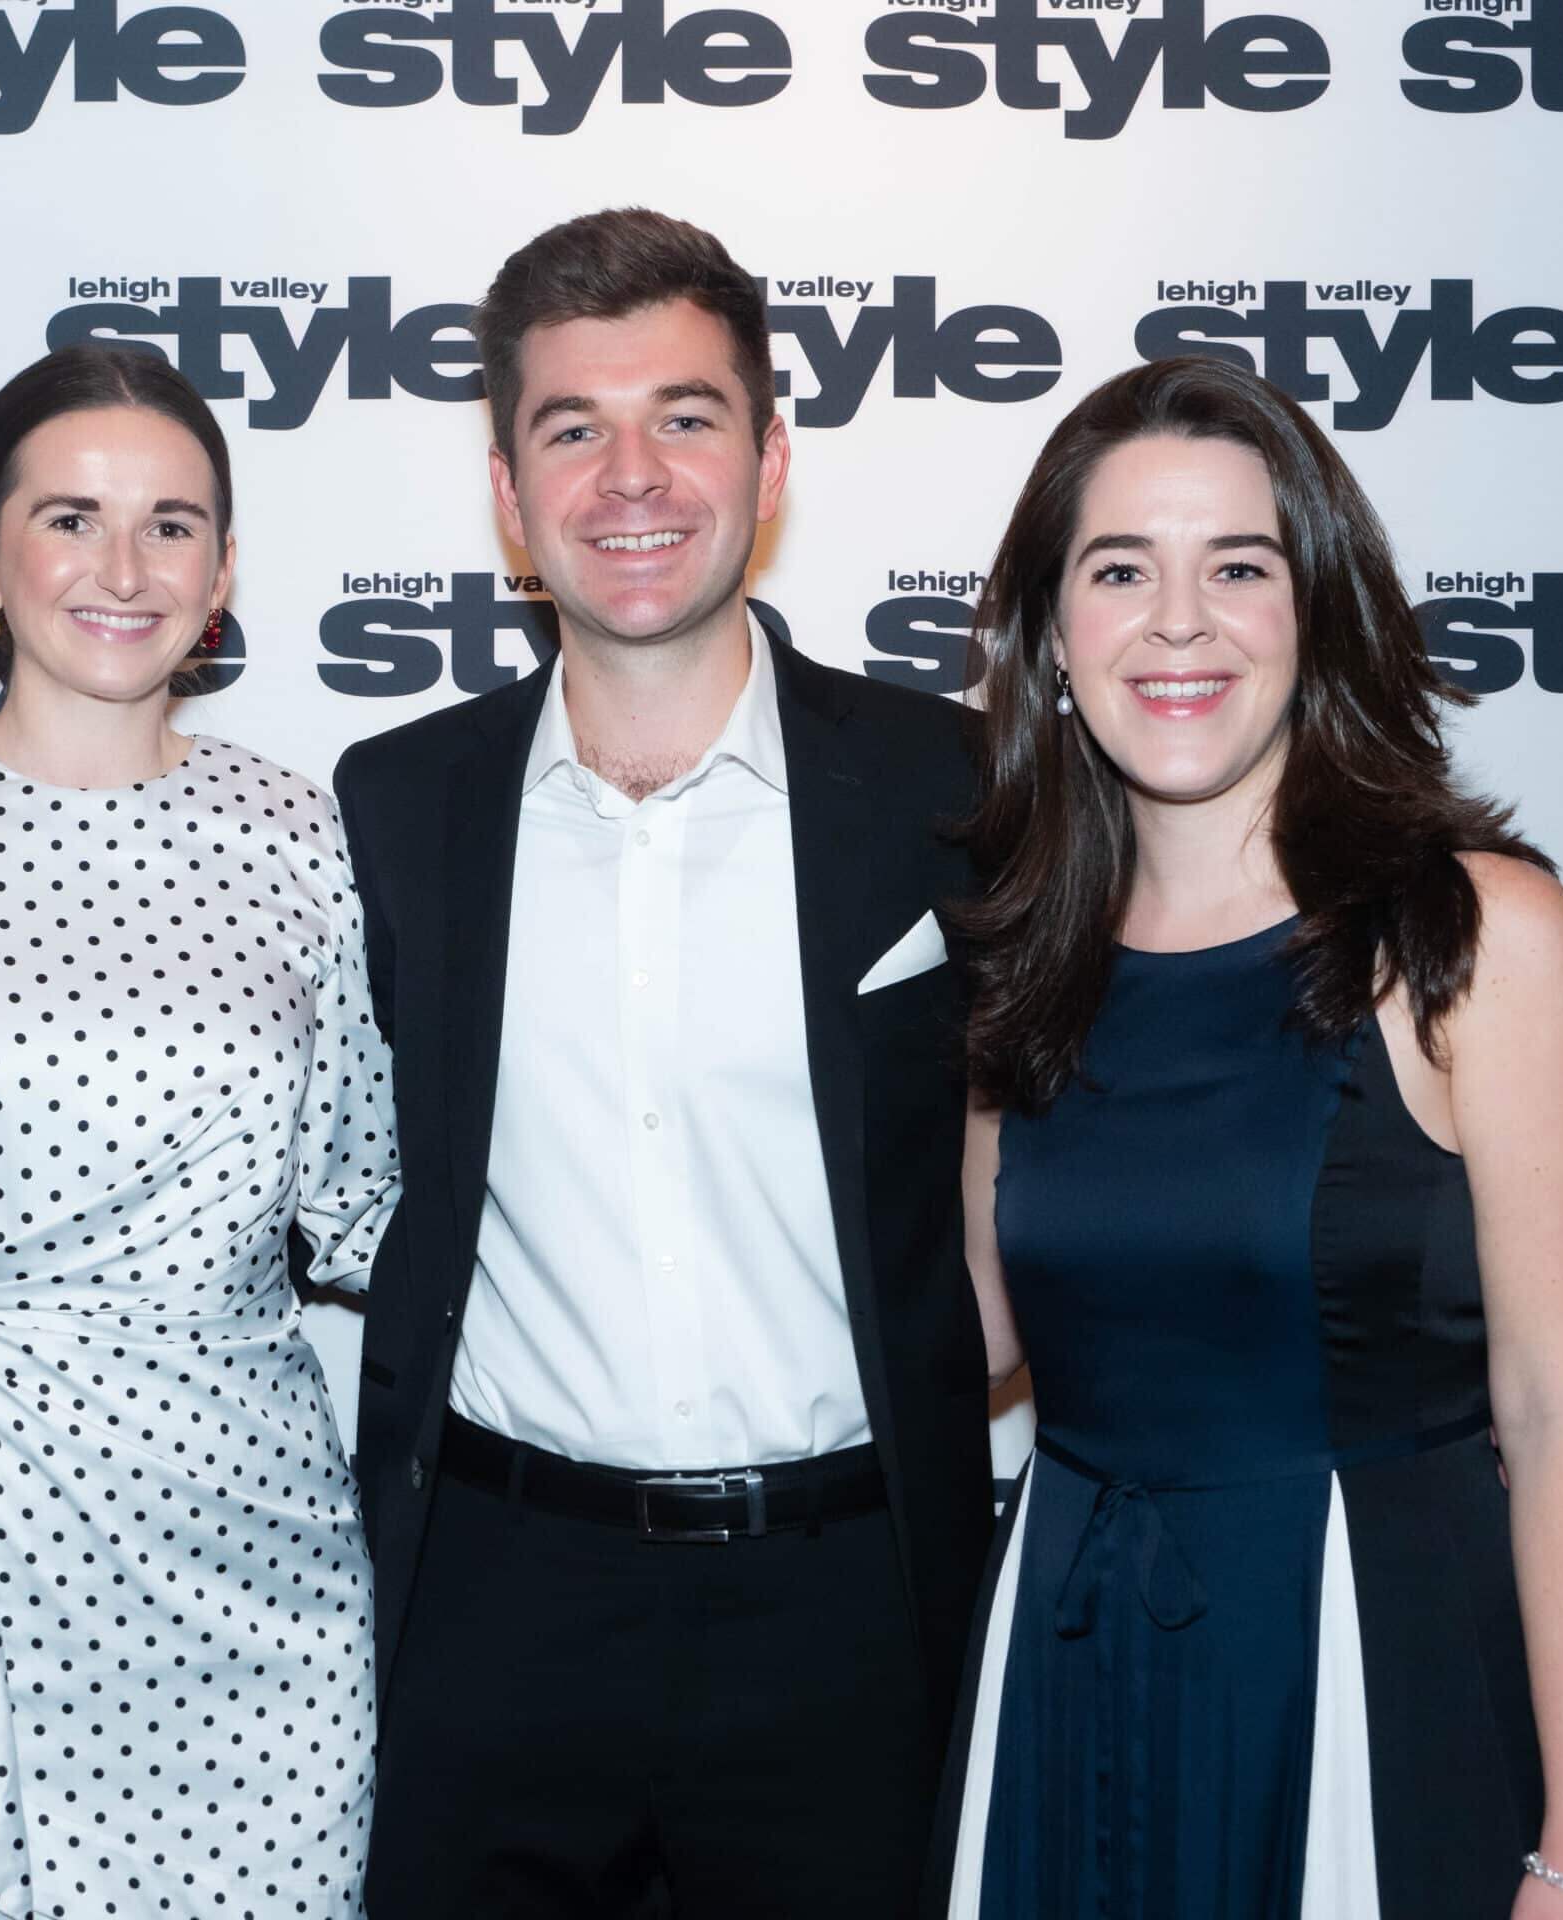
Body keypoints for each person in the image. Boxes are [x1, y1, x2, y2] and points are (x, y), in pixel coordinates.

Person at [332, 207, 996, 1917]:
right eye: (574, 427)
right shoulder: (395, 808)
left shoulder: (959, 791)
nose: (633, 476)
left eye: (685, 417)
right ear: (507, 495)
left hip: (849, 1607)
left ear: (770, 461)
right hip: (492, 1604)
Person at [933, 356, 1563, 1918]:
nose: (1176, 621)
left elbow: (1561, 1410)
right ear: (1054, 636)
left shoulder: (1474, 937)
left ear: (1313, 612)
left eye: (1237, 568)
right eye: (1120, 571)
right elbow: (971, 1333)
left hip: (1361, 1668)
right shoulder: (1023, 957)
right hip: (1064, 1654)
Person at [0, 342, 397, 1920]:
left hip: (252, 1537)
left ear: (227, 569)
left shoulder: (305, 829)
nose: (124, 568)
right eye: (69, 518)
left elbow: (360, 1187)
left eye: (173, 524)